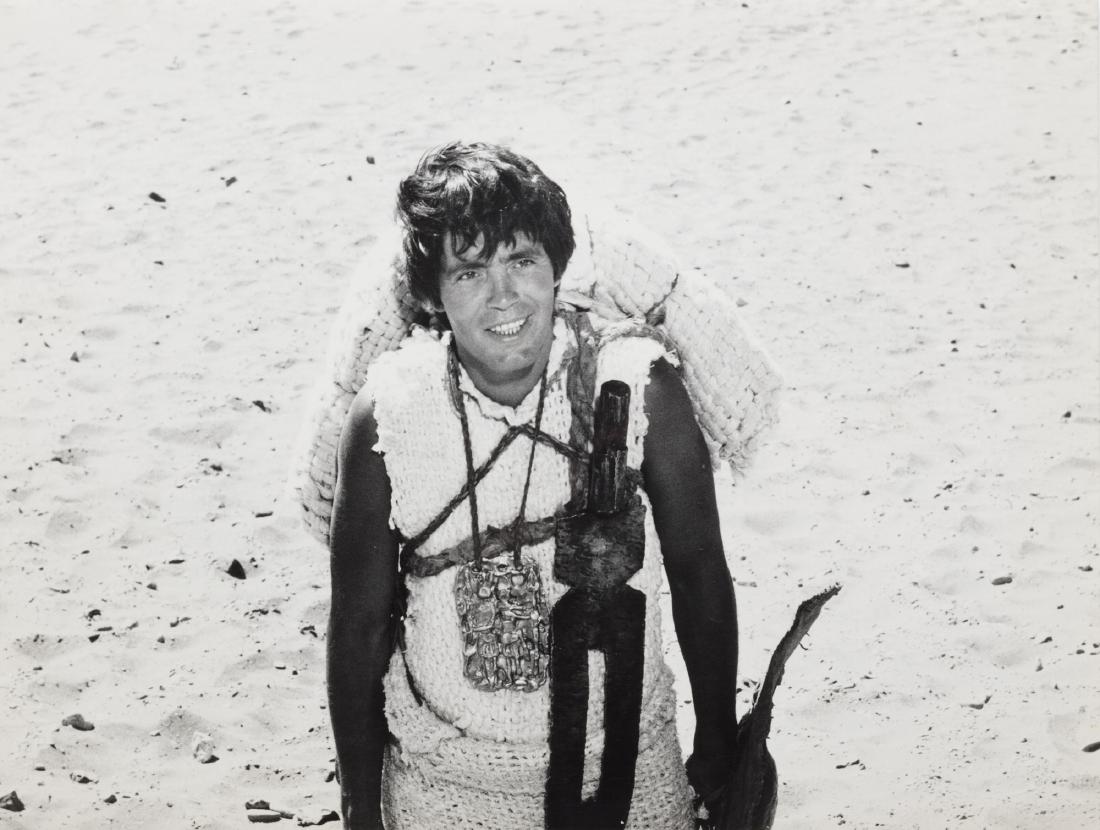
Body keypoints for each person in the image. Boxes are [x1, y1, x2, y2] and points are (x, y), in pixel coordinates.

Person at [326, 141, 740, 829]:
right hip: (442, 780)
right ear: (432, 295)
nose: (503, 296)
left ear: (557, 267)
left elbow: (700, 572)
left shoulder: (640, 390)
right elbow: (358, 625)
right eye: (469, 271)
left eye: (522, 260)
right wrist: (358, 806)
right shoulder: (392, 416)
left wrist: (720, 739)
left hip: (629, 774)